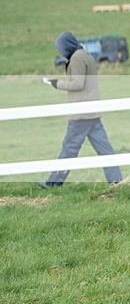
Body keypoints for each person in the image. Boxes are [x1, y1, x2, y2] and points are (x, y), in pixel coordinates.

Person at [38, 32, 123, 188]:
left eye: (61, 48)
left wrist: (55, 83)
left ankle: (54, 183)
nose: (61, 52)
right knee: (105, 150)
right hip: (91, 109)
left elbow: (77, 84)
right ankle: (116, 181)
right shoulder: (85, 54)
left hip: (81, 112)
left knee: (69, 148)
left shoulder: (76, 58)